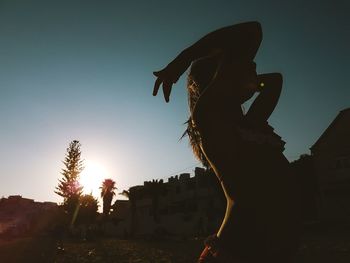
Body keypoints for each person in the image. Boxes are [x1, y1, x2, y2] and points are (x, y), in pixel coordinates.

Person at [153, 22, 300, 263]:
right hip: (237, 253)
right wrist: (185, 60)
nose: (252, 64)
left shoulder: (251, 124)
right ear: (221, 78)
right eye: (242, 63)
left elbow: (274, 80)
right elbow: (252, 31)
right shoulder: (210, 118)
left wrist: (249, 81)